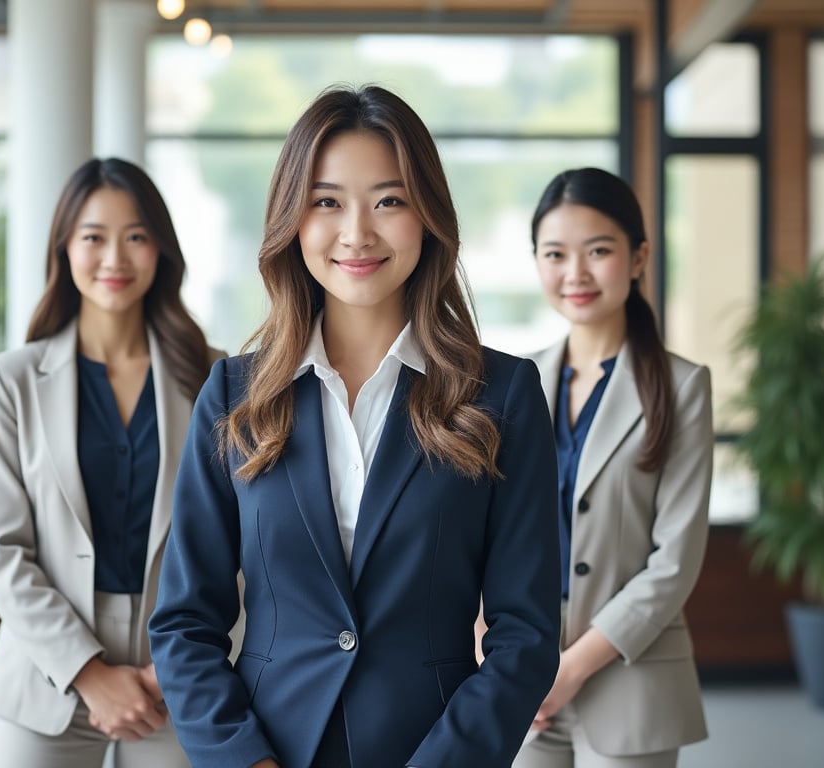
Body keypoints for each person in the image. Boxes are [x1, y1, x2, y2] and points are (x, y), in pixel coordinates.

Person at [147, 84, 561, 768]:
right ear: (293, 220)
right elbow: (185, 623)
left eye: (389, 201)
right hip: (269, 750)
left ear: (428, 217)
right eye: (328, 201)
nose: (357, 232)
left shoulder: (503, 395)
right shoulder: (234, 395)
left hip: (431, 749)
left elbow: (526, 634)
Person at [0, 157, 223, 768]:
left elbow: (241, 541)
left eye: (136, 237)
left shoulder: (215, 376)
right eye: (94, 237)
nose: (115, 258)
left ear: (161, 250)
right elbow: (1, 550)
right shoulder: (11, 380)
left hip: (177, 670)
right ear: (65, 248)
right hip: (45, 670)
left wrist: (182, 662)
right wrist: (88, 672)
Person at [512, 167, 713, 768]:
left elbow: (674, 562)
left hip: (632, 671)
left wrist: (571, 668)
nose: (575, 273)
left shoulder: (681, 387)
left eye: (598, 250)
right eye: (555, 254)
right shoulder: (516, 382)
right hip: (524, 673)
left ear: (637, 256)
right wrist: (490, 646)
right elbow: (487, 533)